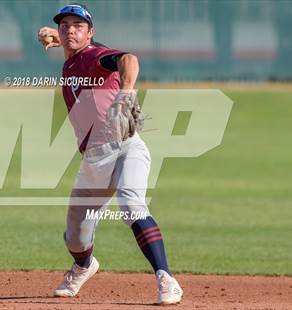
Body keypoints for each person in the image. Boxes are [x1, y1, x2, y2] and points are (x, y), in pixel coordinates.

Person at [37, 3, 183, 305]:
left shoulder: (95, 56)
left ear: (91, 33)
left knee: (131, 205)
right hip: (93, 161)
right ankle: (84, 266)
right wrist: (59, 38)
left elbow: (128, 58)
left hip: (126, 148)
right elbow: (71, 47)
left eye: (78, 26)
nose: (70, 30)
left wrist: (127, 91)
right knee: (76, 237)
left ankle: (166, 279)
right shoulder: (72, 60)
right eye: (65, 25)